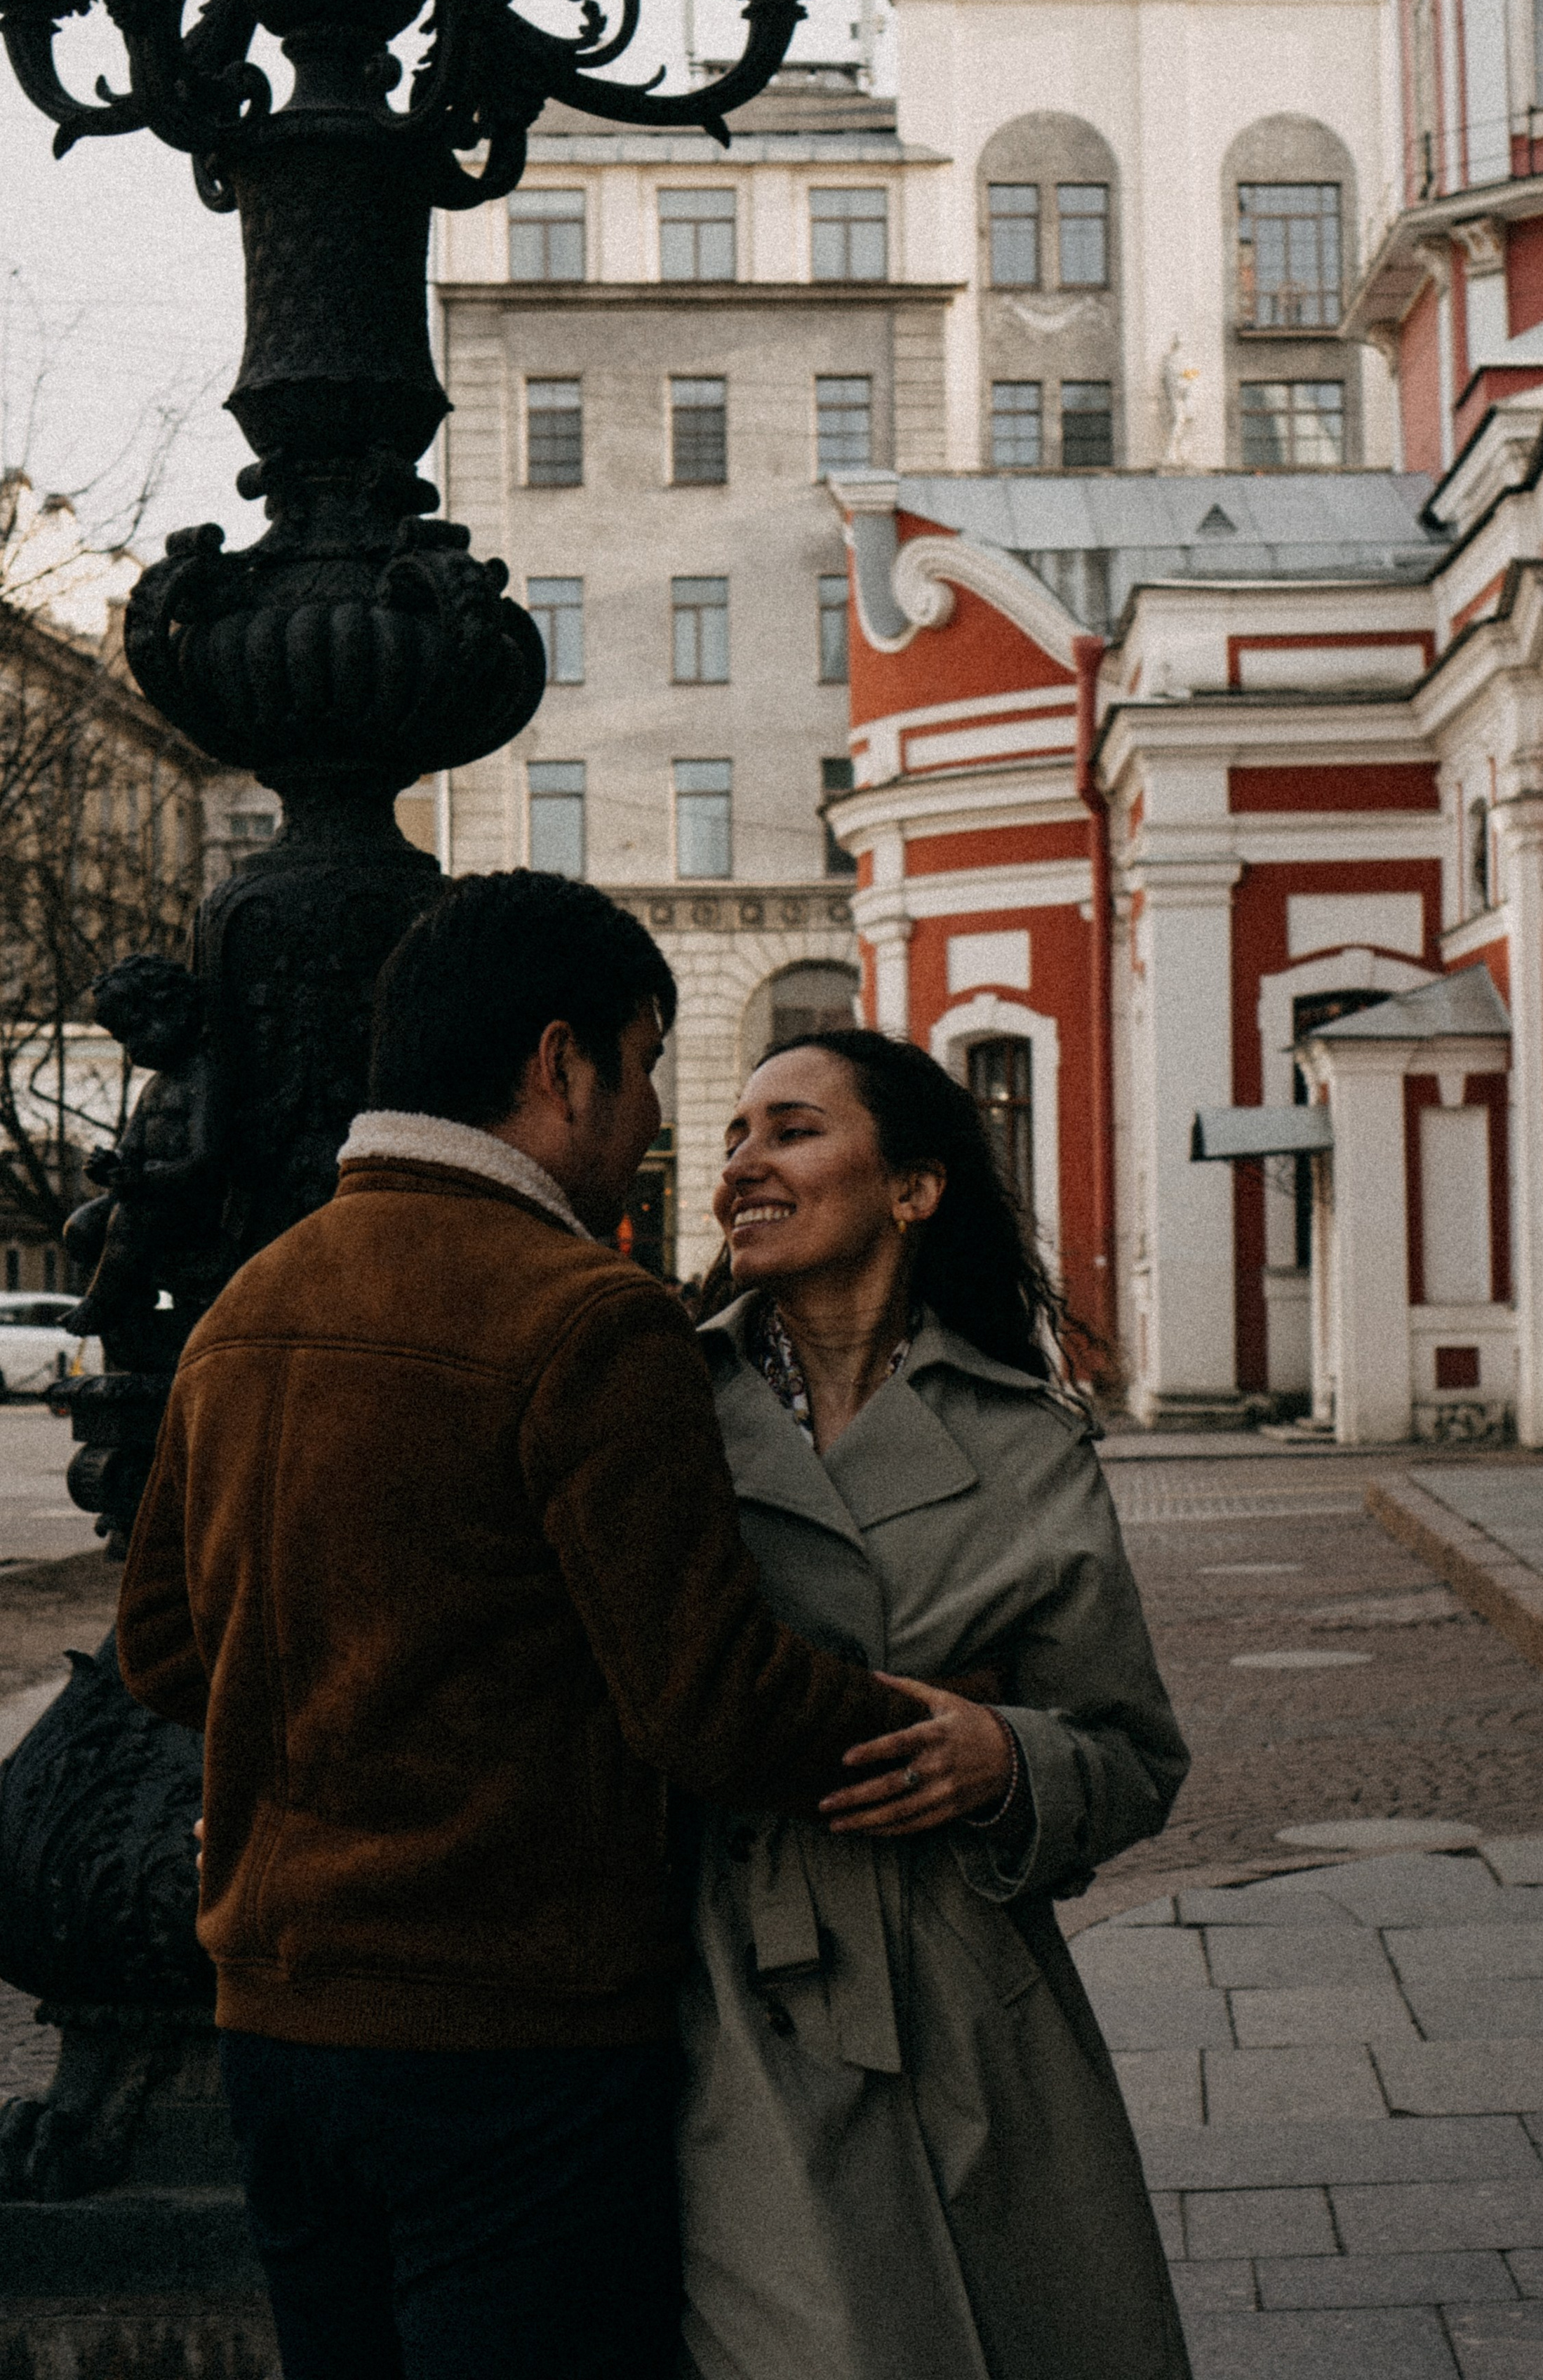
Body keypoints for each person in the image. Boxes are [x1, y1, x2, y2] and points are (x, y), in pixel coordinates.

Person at [114, 874, 972, 2380]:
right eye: (644, 1070)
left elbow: (163, 1651)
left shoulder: (248, 1305)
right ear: (558, 1062)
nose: (649, 1119)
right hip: (512, 2038)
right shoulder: (584, 1314)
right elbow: (708, 1702)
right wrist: (945, 1727)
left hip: (276, 2022)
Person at [681, 1029, 1194, 2380]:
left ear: (913, 1189)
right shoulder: (659, 1399)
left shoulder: (1026, 1436)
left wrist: (1005, 1757)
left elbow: (1133, 1755)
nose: (742, 1167)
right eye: (735, 1138)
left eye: (791, 1132)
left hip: (967, 1991)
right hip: (722, 1973)